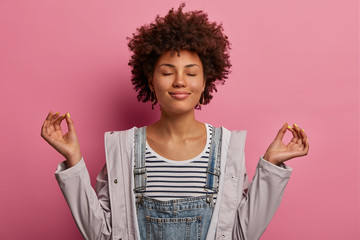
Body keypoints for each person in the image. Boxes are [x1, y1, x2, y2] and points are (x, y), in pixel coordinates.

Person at [41, 3, 309, 240]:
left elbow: (241, 234)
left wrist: (271, 166)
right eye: (168, 72)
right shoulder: (123, 148)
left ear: (205, 82)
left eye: (191, 73)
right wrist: (73, 160)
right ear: (150, 82)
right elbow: (101, 234)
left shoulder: (228, 148)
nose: (180, 81)